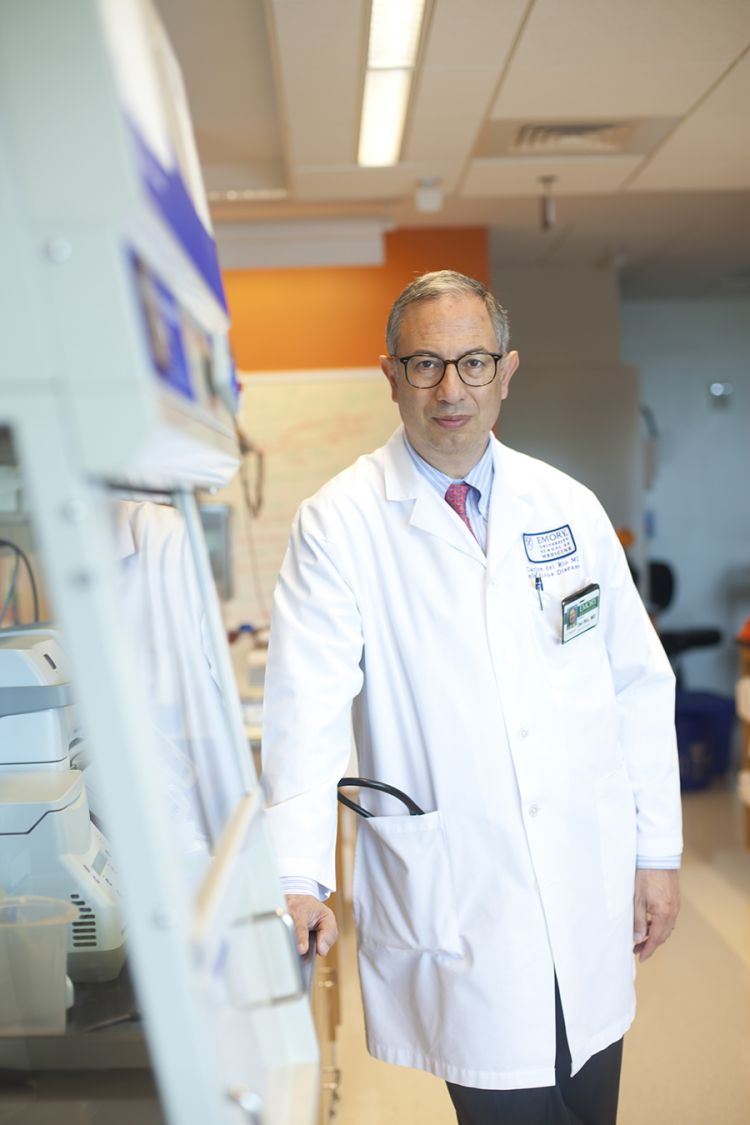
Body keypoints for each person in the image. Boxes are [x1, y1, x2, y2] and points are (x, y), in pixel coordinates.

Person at [260, 271, 681, 1125]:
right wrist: (297, 874)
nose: (451, 388)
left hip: (584, 881)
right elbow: (306, 708)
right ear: (390, 374)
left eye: (473, 362)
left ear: (507, 370)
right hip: (464, 900)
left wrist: (658, 850)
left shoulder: (568, 506)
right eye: (424, 364)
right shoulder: (340, 523)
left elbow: (636, 680)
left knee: (589, 1101)